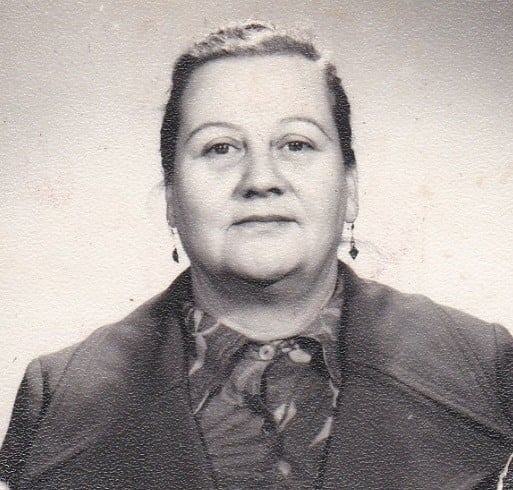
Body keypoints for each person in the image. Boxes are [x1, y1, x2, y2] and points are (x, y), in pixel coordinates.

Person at [0, 22, 512, 490]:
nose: (261, 180)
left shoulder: (488, 368)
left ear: (350, 188)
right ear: (172, 198)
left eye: (296, 144)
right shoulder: (60, 397)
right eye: (220, 148)